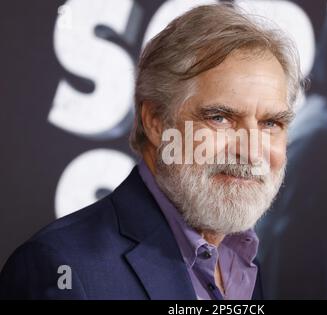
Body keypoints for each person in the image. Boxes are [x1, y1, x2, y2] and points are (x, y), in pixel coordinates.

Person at [0, 3, 302, 299]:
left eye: (271, 123)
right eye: (219, 118)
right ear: (155, 121)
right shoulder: (61, 267)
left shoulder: (240, 257)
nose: (251, 152)